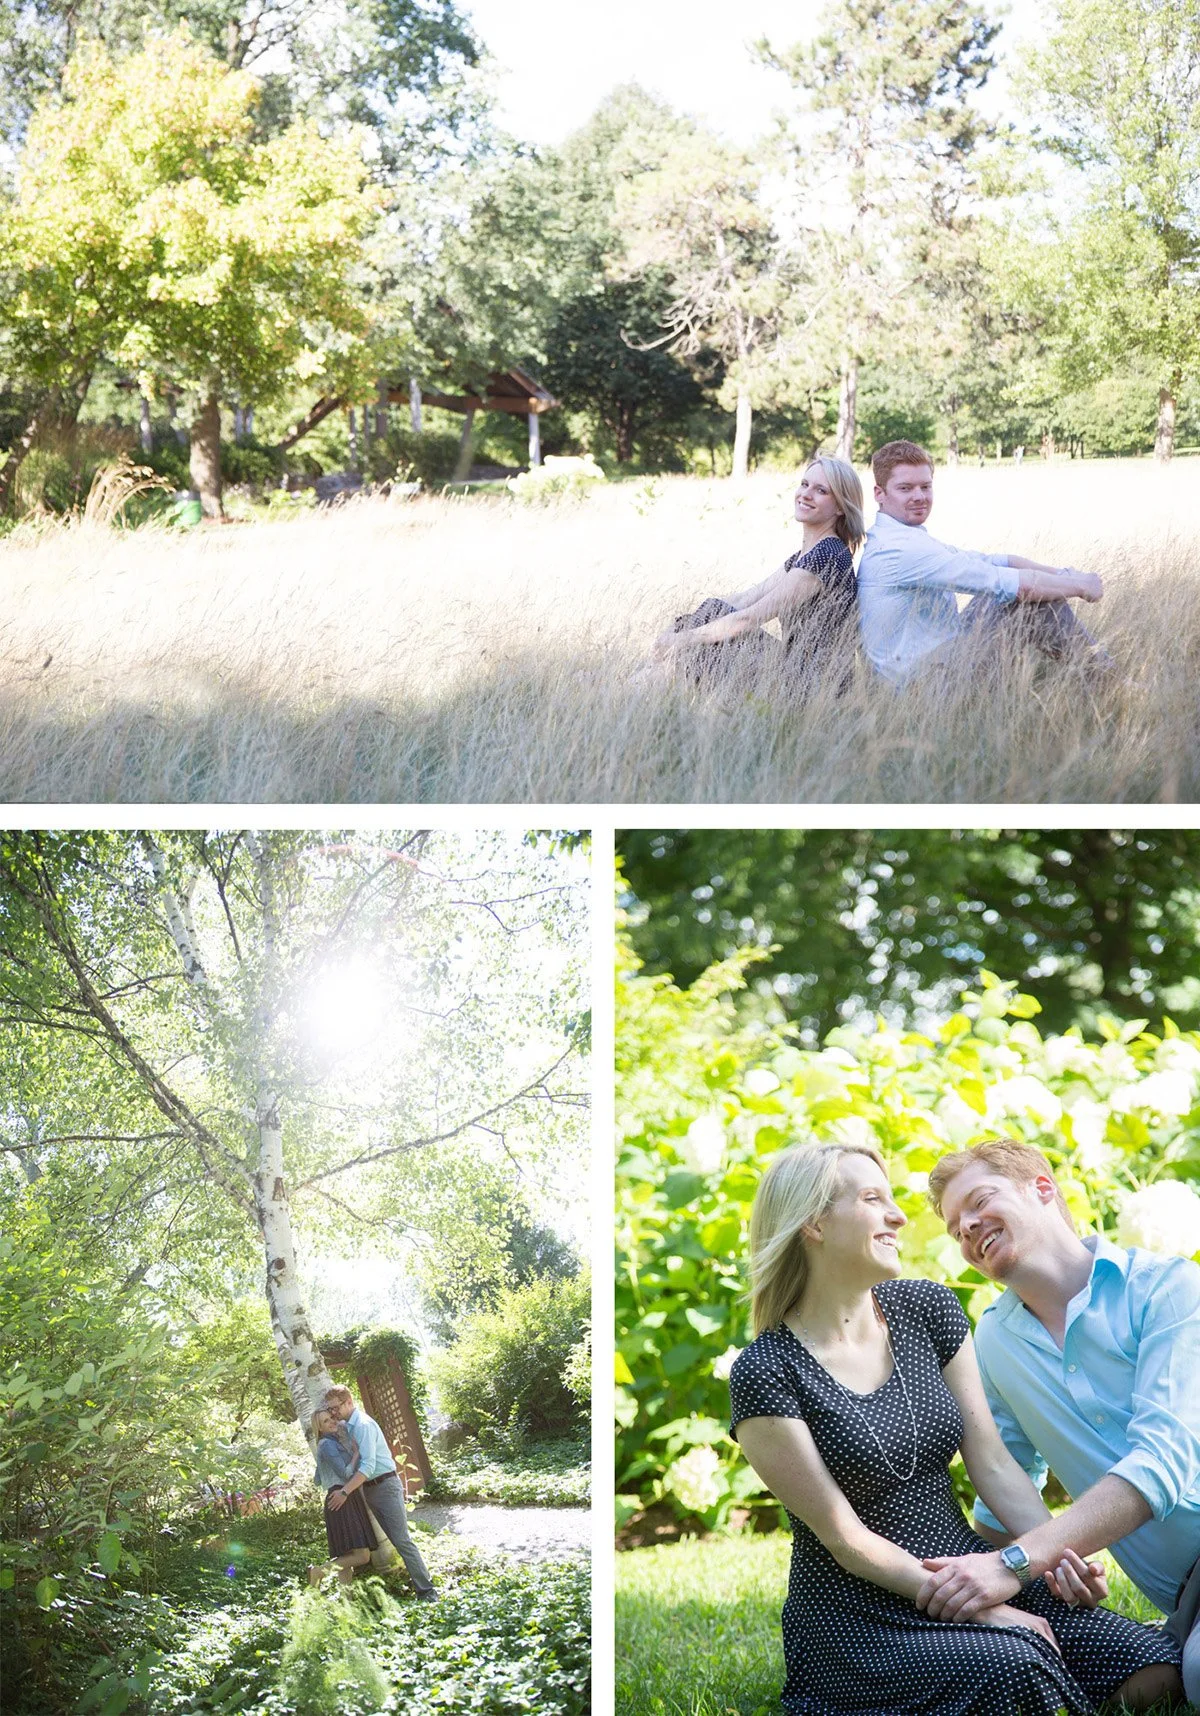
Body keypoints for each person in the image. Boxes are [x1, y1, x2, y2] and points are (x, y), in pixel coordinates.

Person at [729, 1141, 1181, 1716]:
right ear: (813, 1224)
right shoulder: (765, 1371)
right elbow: (844, 1539)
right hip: (858, 1606)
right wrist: (988, 1611)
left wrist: (1053, 1558)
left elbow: (992, 1464)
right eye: (873, 1199)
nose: (897, 1216)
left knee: (1154, 1668)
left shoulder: (928, 1310)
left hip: (967, 1563)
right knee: (1018, 1668)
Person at [925, 1139, 1200, 1704]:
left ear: (1041, 1188)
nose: (968, 1228)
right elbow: (1004, 1485)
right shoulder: (995, 1341)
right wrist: (1028, 1579)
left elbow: (1163, 1464)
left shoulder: (1168, 1288)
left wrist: (1020, 1560)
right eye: (956, 1229)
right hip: (1188, 1595)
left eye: (979, 1201)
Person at [857, 440, 1108, 686]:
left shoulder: (899, 535)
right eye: (905, 488)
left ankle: (1103, 678)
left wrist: (1066, 575)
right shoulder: (902, 548)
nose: (919, 496)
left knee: (1018, 589)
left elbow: (994, 562)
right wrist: (1081, 587)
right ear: (880, 493)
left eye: (925, 486)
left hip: (935, 664)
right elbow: (1017, 586)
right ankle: (1111, 683)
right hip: (923, 687)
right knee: (1029, 602)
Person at [651, 459, 863, 693]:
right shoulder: (806, 555)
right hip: (796, 669)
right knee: (712, 611)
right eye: (804, 484)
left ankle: (638, 694)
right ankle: (644, 692)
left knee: (695, 643)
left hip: (817, 686)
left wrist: (683, 639)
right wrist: (679, 628)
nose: (806, 494)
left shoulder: (828, 555)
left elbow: (748, 619)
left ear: (840, 507)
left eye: (821, 490)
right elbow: (745, 599)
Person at [322, 1384, 436, 1599]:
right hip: (371, 1489)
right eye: (330, 1411)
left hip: (385, 1486)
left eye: (335, 1408)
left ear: (348, 1402)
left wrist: (344, 1492)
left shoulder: (362, 1425)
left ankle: (427, 1591)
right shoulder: (351, 1426)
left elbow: (368, 1467)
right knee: (396, 1540)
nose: (333, 1413)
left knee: (402, 1540)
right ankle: (420, 1587)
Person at [308, 1406, 375, 1585]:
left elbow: (317, 1479)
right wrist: (356, 1454)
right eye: (325, 1421)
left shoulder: (328, 1443)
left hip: (341, 1495)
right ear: (319, 1428)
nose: (332, 1422)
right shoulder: (327, 1444)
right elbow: (346, 1474)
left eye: (331, 1418)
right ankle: (318, 1572)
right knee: (362, 1555)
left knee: (346, 1557)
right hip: (342, 1496)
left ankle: (347, 1602)